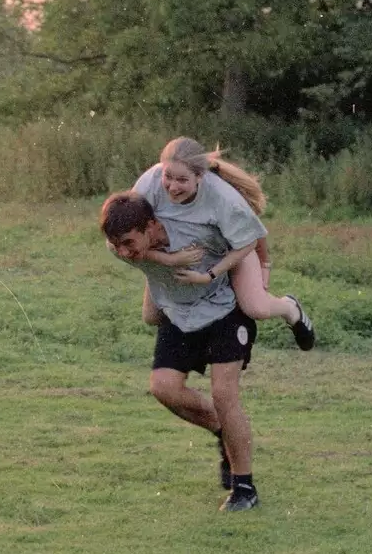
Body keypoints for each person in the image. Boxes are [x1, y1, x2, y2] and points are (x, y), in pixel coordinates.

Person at [100, 182, 264, 511]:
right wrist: (171, 258)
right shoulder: (128, 246)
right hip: (181, 312)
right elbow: (148, 260)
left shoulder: (196, 229)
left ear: (151, 226)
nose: (123, 253)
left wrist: (262, 274)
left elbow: (250, 235)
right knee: (164, 388)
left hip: (226, 309)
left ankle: (244, 488)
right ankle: (224, 432)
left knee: (224, 393)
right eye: (116, 245)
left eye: (128, 243)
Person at [137, 138, 315, 352]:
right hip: (182, 252)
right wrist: (167, 260)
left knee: (255, 307)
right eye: (168, 176)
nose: (173, 187)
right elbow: (130, 227)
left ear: (200, 176)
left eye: (182, 180)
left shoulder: (223, 198)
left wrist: (210, 275)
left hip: (231, 250)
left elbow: (251, 239)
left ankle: (289, 307)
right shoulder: (148, 185)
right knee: (151, 316)